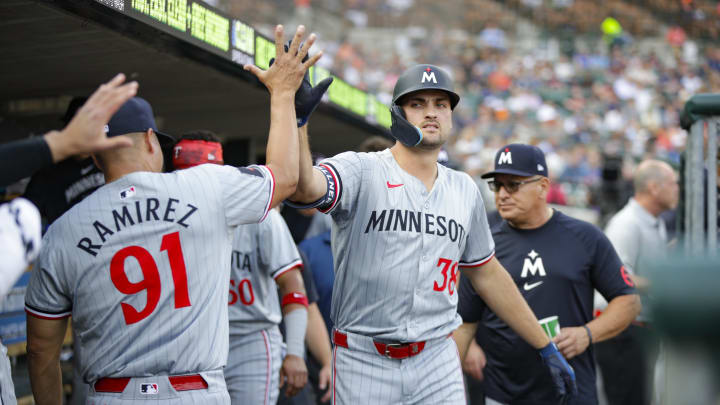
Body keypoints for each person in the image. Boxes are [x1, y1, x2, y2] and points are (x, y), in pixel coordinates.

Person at [24, 25, 320, 404]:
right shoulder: (206, 186)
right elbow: (287, 177)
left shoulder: (64, 230)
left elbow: (40, 351)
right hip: (194, 391)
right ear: (150, 140)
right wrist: (281, 95)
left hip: (112, 394)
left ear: (96, 157)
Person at [287, 64, 576, 404]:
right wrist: (297, 124)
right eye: (418, 103)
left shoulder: (464, 188)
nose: (431, 113)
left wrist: (543, 345)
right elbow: (304, 190)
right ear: (398, 113)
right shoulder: (362, 169)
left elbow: (486, 272)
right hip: (363, 359)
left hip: (437, 357)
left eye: (441, 104)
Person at [455, 143, 641, 405]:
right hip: (505, 393)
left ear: (543, 186)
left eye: (514, 184)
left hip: (571, 391)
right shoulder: (484, 244)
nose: (503, 194)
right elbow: (464, 322)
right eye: (497, 185)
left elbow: (628, 301)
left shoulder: (584, 237)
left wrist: (586, 334)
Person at [172, 130, 310, 405]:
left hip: (250, 339)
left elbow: (292, 285)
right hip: (194, 342)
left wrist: (295, 352)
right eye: (186, 174)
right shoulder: (167, 216)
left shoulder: (262, 216)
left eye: (203, 175)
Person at [596, 159, 678, 405]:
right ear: (654, 187)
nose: (678, 189)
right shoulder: (627, 223)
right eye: (673, 183)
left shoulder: (655, 222)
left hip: (640, 330)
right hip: (623, 331)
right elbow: (616, 276)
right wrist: (660, 281)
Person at [0, 74, 139, 187]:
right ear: (68, 126)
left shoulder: (108, 161)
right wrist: (62, 143)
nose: (88, 132)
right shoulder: (50, 174)